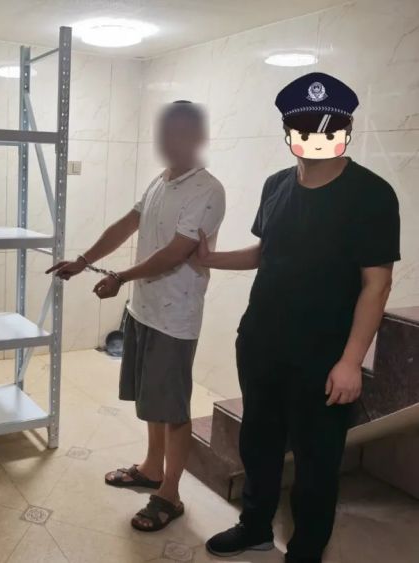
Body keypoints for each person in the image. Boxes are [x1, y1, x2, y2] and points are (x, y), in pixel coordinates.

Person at [201, 73, 400, 563]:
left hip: (324, 355)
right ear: (289, 132)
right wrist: (208, 258)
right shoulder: (276, 185)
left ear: (346, 130)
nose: (315, 139)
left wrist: (351, 362)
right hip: (261, 342)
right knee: (259, 443)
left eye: (328, 129)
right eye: (304, 129)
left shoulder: (372, 194)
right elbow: (265, 253)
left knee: (316, 460)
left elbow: (376, 284)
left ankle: (306, 550)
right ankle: (254, 526)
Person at [47, 100, 226, 532]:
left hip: (176, 316)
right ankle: (151, 468)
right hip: (145, 309)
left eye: (179, 132)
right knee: (151, 400)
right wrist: (84, 260)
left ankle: (170, 495)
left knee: (173, 407)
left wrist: (120, 277)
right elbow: (126, 225)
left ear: (198, 138)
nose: (169, 141)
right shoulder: (160, 181)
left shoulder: (207, 190)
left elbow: (176, 253)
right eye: (165, 132)